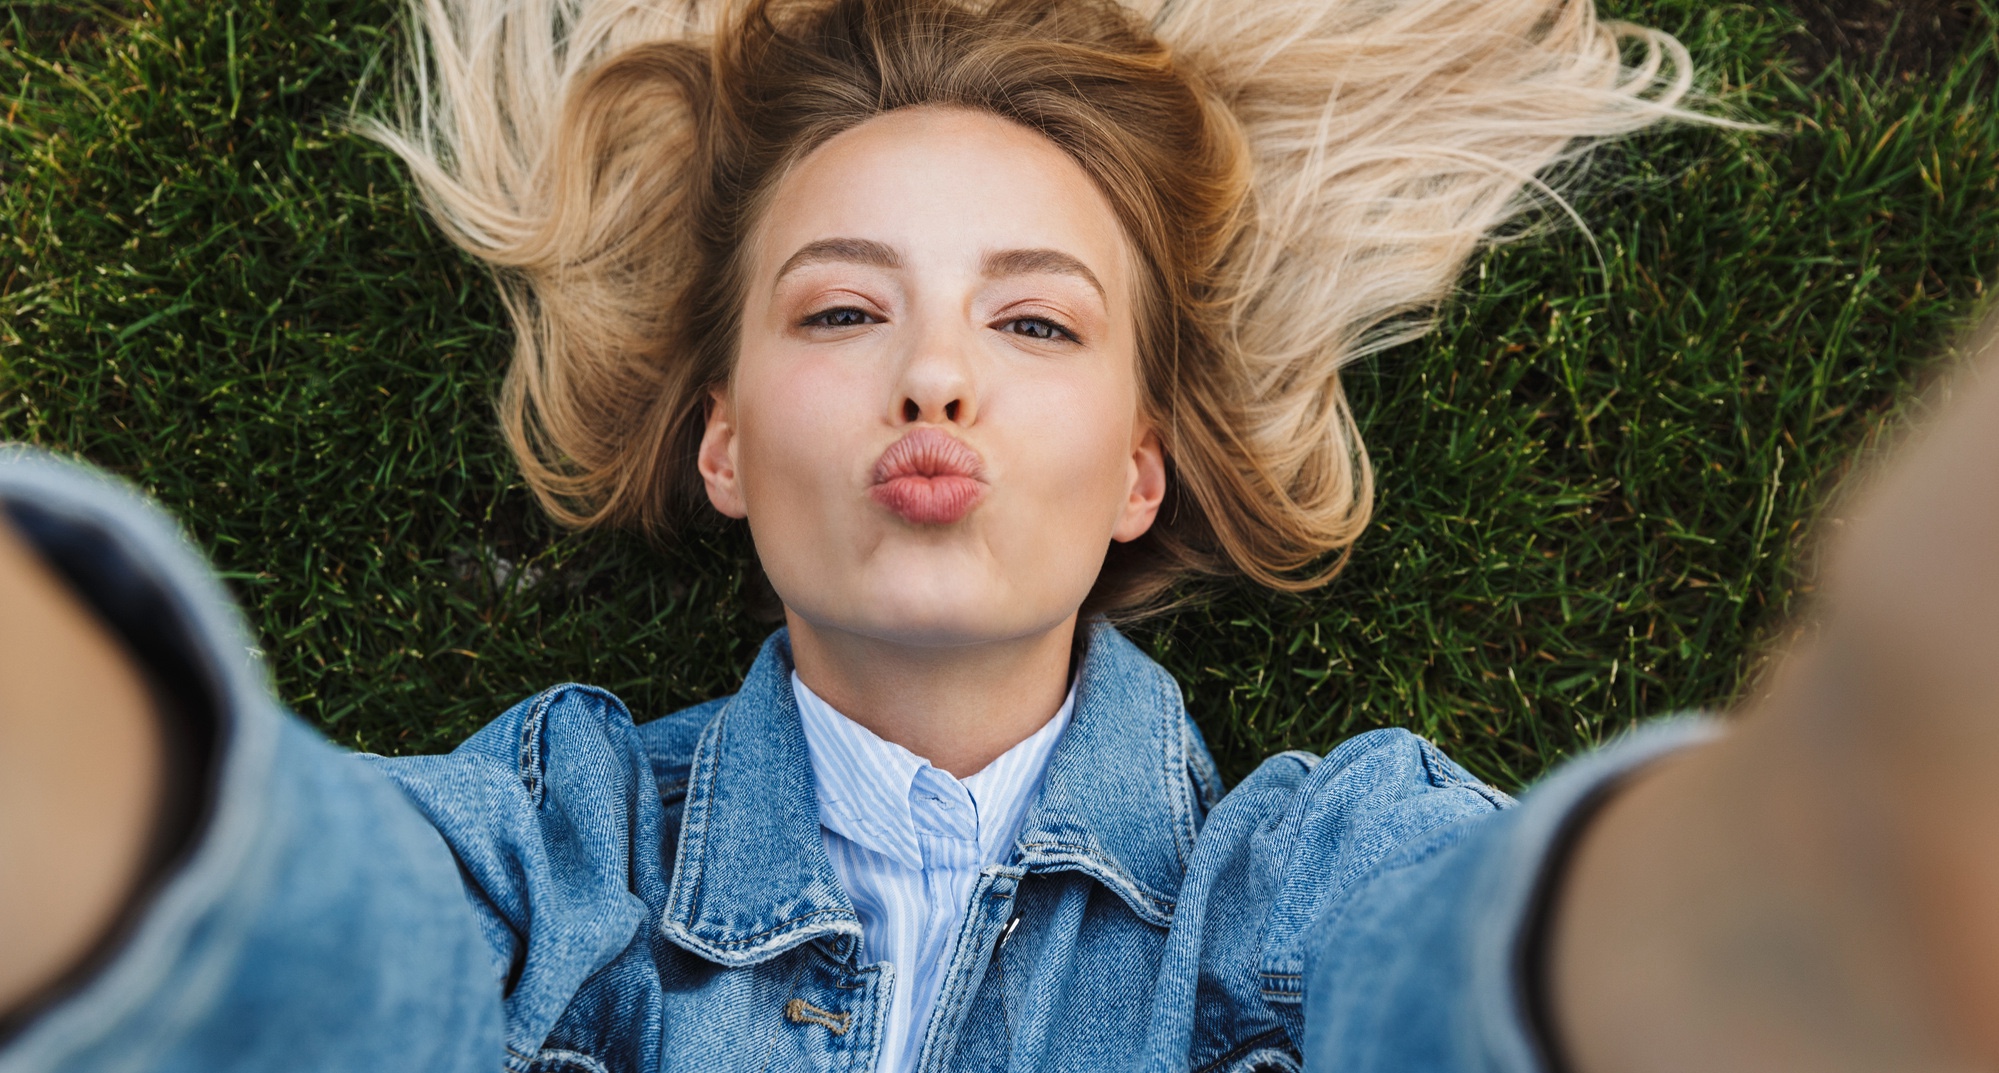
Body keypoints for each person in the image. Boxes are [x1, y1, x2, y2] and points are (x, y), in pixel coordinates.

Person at [2, 0, 1994, 1070]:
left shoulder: (1301, 883)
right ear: (720, 447)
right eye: (843, 310)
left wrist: (1847, 826)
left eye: (1031, 321)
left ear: (1140, 472)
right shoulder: (555, 845)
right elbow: (273, 955)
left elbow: (1511, 1000)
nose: (932, 377)